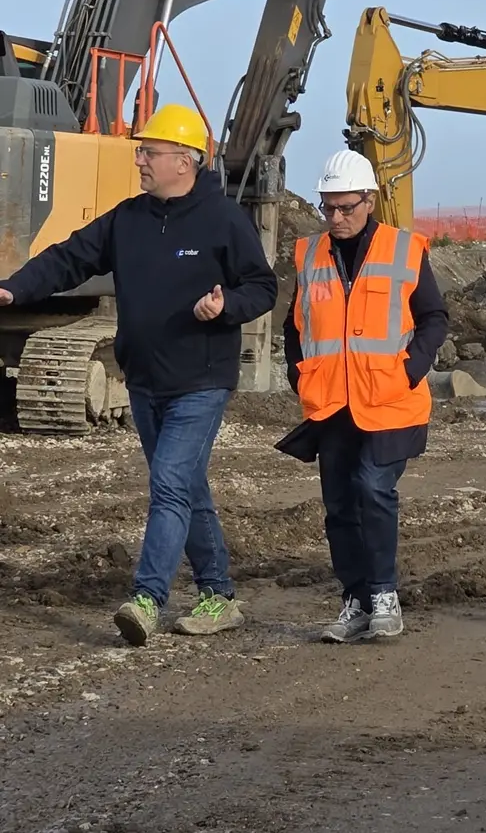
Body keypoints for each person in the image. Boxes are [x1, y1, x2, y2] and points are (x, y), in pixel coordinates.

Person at [0, 103, 278, 646]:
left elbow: (261, 287)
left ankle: (148, 598)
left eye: (148, 152)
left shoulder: (223, 219)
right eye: (140, 151)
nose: (140, 161)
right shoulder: (128, 218)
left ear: (185, 160)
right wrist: (16, 287)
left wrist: (227, 306)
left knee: (170, 484)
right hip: (146, 380)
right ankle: (219, 595)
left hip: (201, 379)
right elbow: (69, 258)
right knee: (187, 486)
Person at [281, 149, 448, 643]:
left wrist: (411, 368)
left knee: (374, 487)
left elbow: (434, 318)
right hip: (331, 403)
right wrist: (299, 374)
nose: (336, 217)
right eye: (328, 208)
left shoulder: (404, 250)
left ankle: (383, 594)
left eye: (346, 207)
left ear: (369, 201)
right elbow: (296, 325)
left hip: (391, 399)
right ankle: (354, 599)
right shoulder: (309, 254)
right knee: (339, 505)